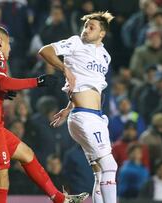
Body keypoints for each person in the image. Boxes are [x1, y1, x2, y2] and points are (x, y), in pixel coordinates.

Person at [0, 25, 88, 203]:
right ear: (1, 41)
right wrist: (37, 81)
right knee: (1, 183)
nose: (9, 49)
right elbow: (1, 81)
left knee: (27, 154)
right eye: (8, 44)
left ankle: (60, 199)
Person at [40, 12, 118, 202]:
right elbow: (45, 51)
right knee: (110, 166)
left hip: (96, 116)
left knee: (100, 172)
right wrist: (65, 69)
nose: (86, 29)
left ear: (102, 34)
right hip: (84, 117)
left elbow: (86, 84)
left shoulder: (105, 56)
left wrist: (68, 107)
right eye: (85, 26)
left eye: (91, 27)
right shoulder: (76, 42)